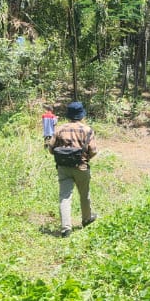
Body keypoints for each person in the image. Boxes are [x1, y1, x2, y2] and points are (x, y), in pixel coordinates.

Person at [49, 101, 98, 237]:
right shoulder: (87, 130)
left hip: (63, 168)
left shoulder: (59, 129)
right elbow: (93, 151)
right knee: (84, 194)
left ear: (68, 115)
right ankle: (87, 219)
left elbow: (51, 149)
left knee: (65, 197)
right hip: (81, 167)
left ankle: (66, 228)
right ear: (81, 115)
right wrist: (84, 157)